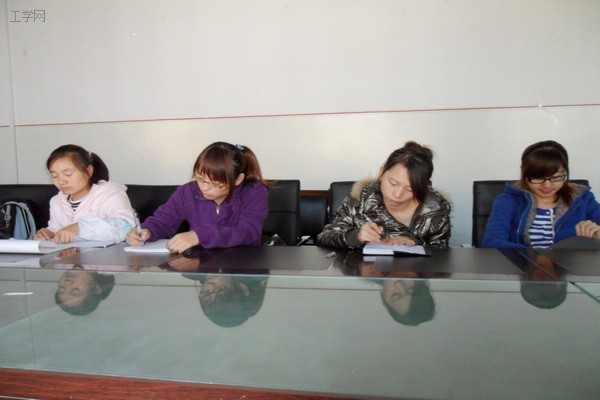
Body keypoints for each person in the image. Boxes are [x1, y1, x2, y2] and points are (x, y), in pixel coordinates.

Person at [126, 142, 269, 253]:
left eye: (215, 184)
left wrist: (201, 235)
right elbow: (162, 221)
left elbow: (247, 233)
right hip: (201, 266)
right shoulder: (187, 192)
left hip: (242, 265)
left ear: (238, 180)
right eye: (200, 179)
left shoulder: (254, 193)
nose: (204, 188)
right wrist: (147, 231)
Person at [316, 141, 451, 249]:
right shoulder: (360, 201)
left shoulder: (435, 210)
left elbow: (442, 254)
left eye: (410, 189)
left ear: (423, 186)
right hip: (366, 273)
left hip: (415, 274)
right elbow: (325, 237)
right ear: (381, 173)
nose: (397, 194)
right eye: (393, 183)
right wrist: (356, 236)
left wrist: (416, 243)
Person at [483, 140, 600, 248]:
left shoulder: (583, 198)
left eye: (556, 177)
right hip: (523, 263)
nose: (547, 185)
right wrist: (535, 256)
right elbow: (492, 241)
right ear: (523, 172)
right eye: (538, 178)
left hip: (572, 264)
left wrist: (597, 237)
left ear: (565, 172)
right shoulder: (508, 200)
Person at [34, 144, 134, 244]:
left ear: (89, 171)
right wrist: (49, 233)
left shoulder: (111, 194)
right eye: (54, 176)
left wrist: (79, 227)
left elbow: (126, 227)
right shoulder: (56, 201)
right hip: (69, 253)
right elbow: (56, 228)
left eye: (68, 174)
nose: (61, 181)